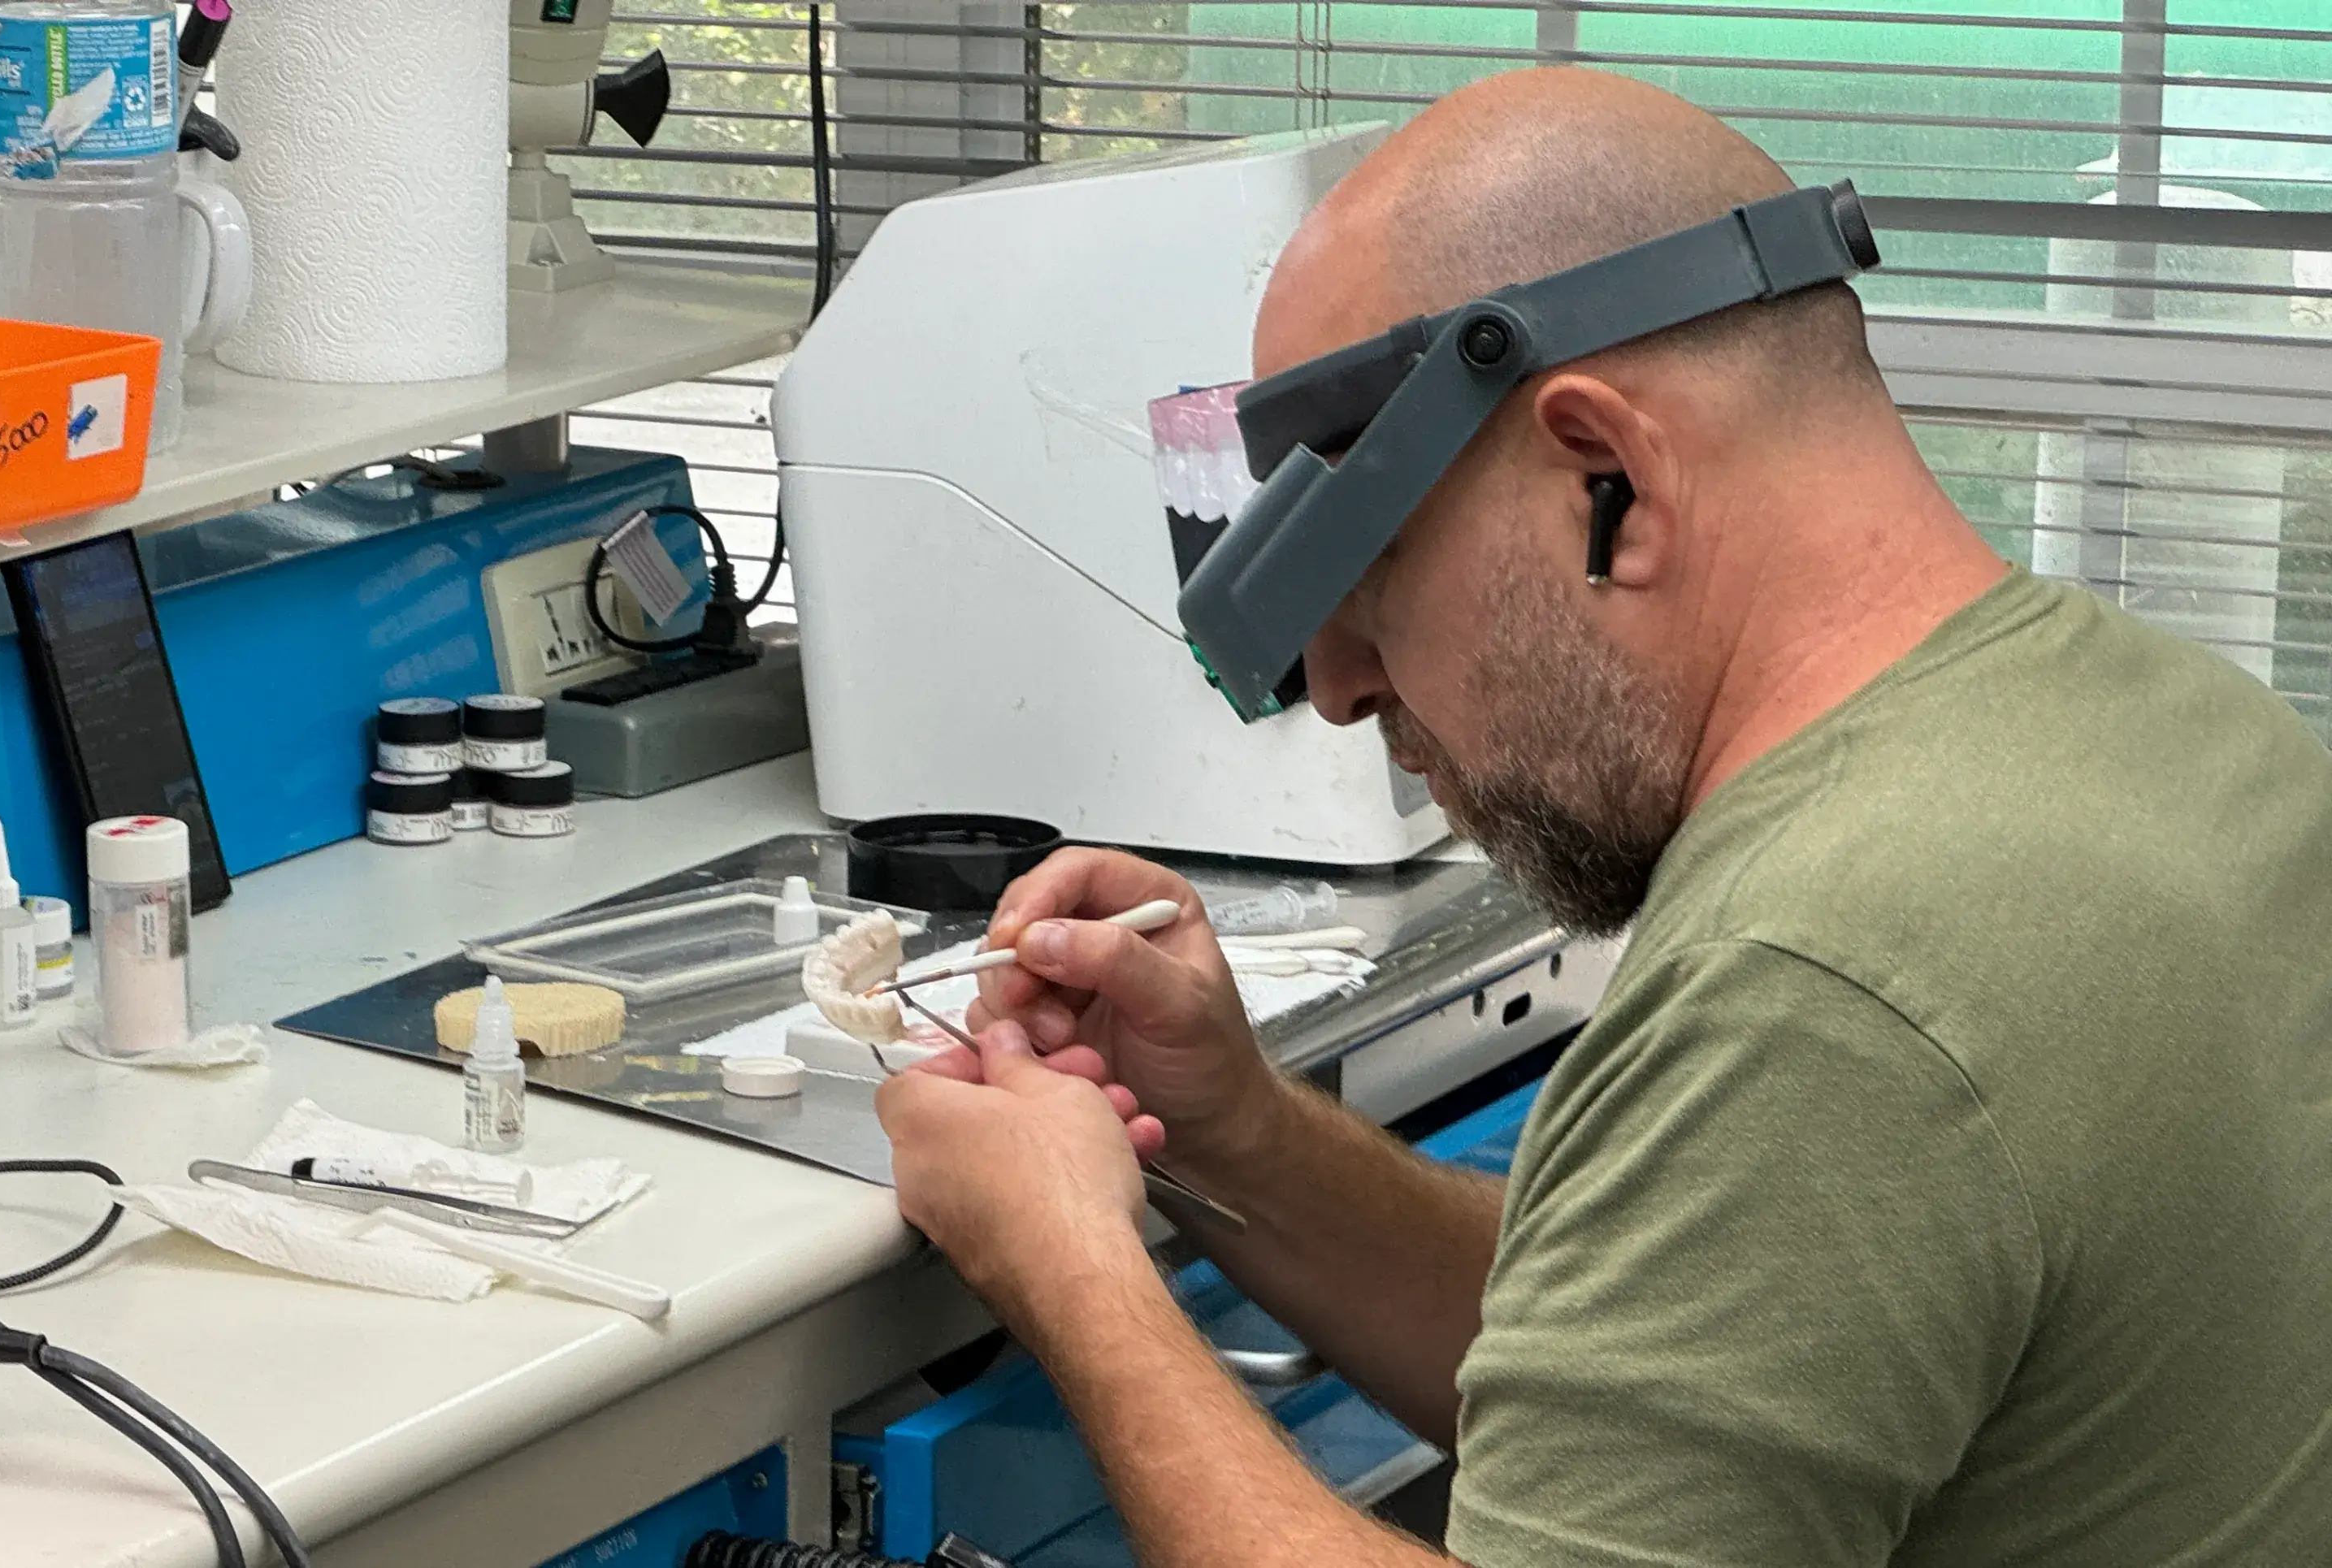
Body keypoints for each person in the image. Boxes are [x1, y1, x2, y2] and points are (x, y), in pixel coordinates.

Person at [877, 66, 2332, 1568]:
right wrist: (1237, 1133)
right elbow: (1670, 1379)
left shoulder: (1822, 993)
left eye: (1367, 581)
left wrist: (1076, 1273)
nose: (1339, 687)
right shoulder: (2193, 733)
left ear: (1609, 479)